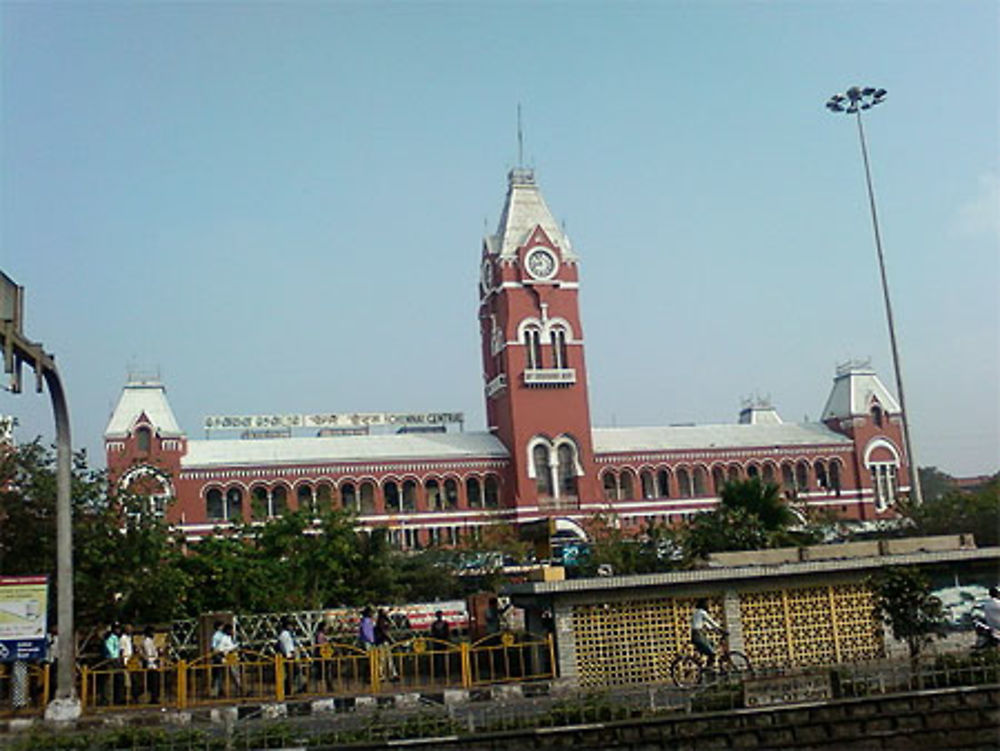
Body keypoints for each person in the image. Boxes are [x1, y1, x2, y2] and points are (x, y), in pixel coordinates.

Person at [691, 599, 726, 669]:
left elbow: (708, 625)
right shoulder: (702, 612)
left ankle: (706, 667)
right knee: (712, 653)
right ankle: (708, 669)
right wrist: (721, 629)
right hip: (698, 635)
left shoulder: (696, 612)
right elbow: (711, 621)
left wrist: (716, 630)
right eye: (707, 604)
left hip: (697, 635)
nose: (708, 606)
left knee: (712, 644)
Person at [276, 618, 300, 695]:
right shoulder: (285, 634)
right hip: (289, 656)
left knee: (292, 673)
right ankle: (288, 690)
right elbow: (287, 646)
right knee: (291, 673)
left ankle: (288, 690)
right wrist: (291, 654)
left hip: (288, 655)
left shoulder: (286, 634)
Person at [375, 609, 398, 682]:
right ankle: (382, 675)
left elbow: (392, 625)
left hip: (384, 641)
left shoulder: (384, 620)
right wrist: (392, 640)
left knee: (388, 658)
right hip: (381, 641)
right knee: (383, 659)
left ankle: (391, 674)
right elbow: (385, 632)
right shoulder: (381, 621)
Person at [140, 626, 160, 704]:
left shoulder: (150, 641)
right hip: (151, 664)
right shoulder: (147, 642)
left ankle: (154, 697)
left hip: (153, 664)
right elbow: (149, 653)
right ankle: (153, 698)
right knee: (153, 683)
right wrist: (153, 660)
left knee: (155, 682)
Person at [429, 610, 451, 680]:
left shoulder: (445, 624)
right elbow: (432, 633)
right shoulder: (434, 624)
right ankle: (437, 673)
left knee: (444, 658)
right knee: (436, 658)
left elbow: (447, 633)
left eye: (440, 615)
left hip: (443, 642)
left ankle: (445, 672)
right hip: (437, 643)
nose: (439, 616)